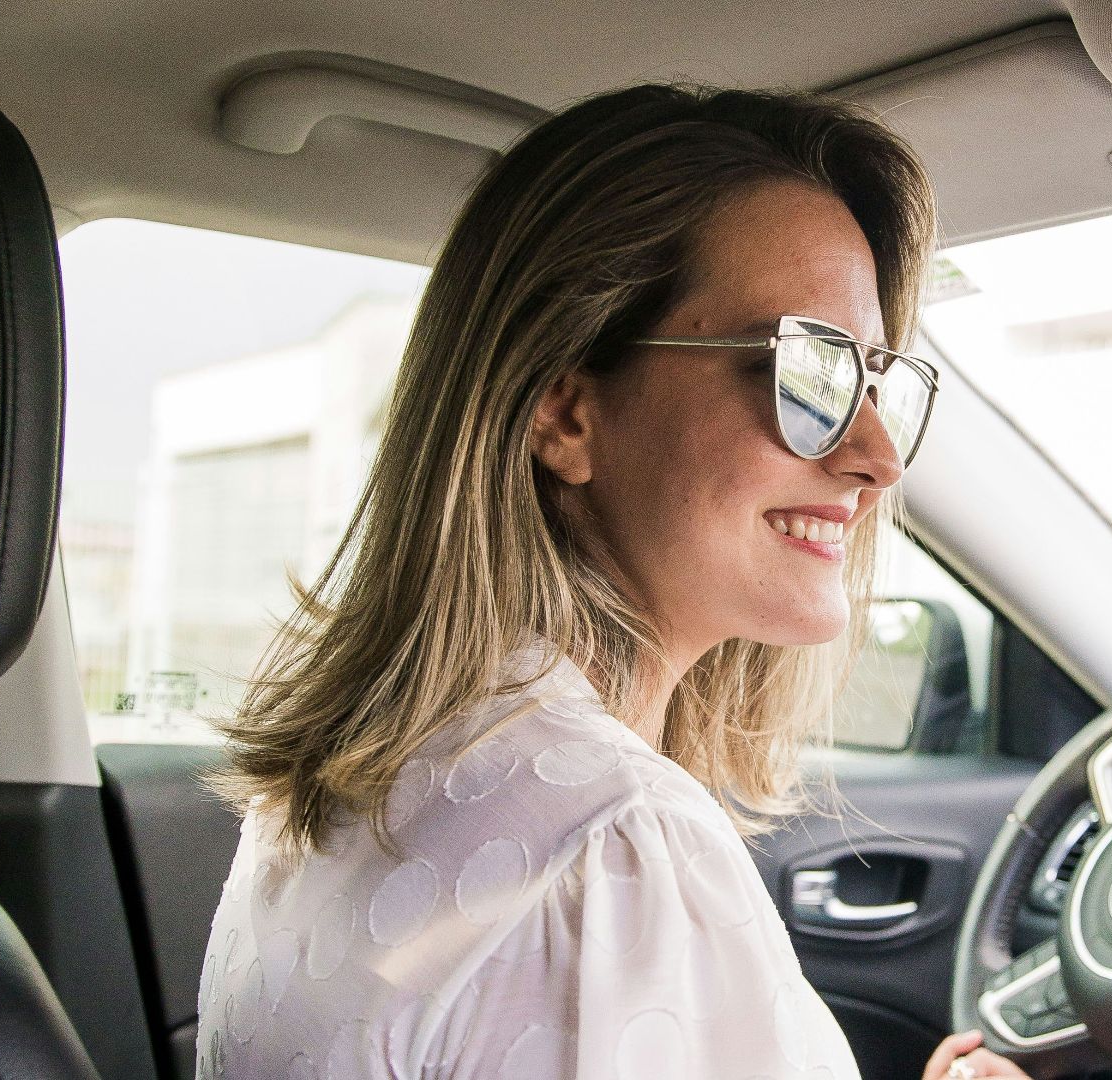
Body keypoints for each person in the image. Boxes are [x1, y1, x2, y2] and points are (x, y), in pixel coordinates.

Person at [195, 83, 1028, 1079]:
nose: (878, 457)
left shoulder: (344, 789)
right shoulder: (611, 848)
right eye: (811, 371)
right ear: (565, 408)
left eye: (874, 380)